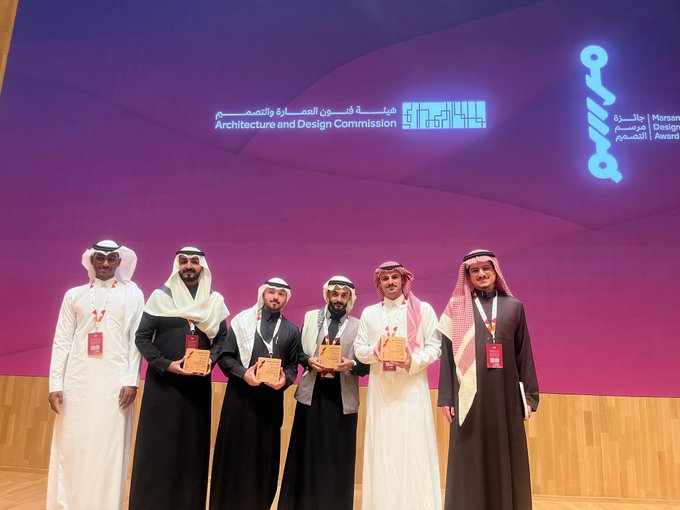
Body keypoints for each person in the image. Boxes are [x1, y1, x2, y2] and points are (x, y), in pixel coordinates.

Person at [46, 240, 144, 510]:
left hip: (115, 384)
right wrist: (55, 383)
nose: (105, 263)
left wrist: (131, 381)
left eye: (111, 258)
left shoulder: (132, 295)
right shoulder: (74, 295)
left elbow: (136, 341)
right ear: (91, 261)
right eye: (99, 258)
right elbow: (62, 341)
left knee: (108, 449)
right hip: (78, 382)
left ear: (119, 261)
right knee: (74, 446)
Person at [129, 247, 229, 510]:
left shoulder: (214, 301)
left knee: (191, 449)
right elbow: (142, 338)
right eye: (183, 261)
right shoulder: (160, 297)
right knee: (158, 448)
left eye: (194, 262)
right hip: (163, 386)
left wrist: (210, 359)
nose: (189, 266)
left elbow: (222, 339)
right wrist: (167, 365)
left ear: (202, 267)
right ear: (177, 266)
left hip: (196, 388)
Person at [438, 249, 539, 510]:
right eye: (475, 270)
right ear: (468, 275)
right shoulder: (456, 308)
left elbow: (524, 353)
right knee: (470, 455)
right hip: (467, 397)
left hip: (506, 397)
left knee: (505, 455)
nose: (481, 274)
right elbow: (446, 356)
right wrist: (447, 397)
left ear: (495, 271)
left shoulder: (514, 307)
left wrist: (529, 397)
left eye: (486, 268)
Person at [354, 261, 442, 510]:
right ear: (379, 284)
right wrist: (374, 352)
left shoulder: (422, 309)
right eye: (385, 278)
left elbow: (435, 348)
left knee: (413, 450)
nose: (390, 282)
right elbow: (359, 350)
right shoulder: (370, 313)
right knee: (383, 451)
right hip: (381, 393)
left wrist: (411, 361)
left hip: (412, 391)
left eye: (395, 277)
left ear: (404, 280)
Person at [278, 276, 370, 510]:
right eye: (335, 294)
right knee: (307, 452)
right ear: (327, 295)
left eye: (344, 295)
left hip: (342, 400)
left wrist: (351, 364)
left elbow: (367, 364)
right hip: (312, 395)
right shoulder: (311, 319)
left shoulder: (359, 325)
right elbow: (298, 353)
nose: (339, 299)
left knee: (337, 456)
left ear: (350, 298)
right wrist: (310, 360)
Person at [209, 278, 301, 510]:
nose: (275, 297)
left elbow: (292, 366)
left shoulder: (291, 330)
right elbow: (225, 356)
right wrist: (243, 374)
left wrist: (285, 381)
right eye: (271, 292)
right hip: (239, 400)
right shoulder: (241, 321)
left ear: (286, 298)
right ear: (263, 294)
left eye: (281, 294)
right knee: (235, 454)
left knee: (263, 458)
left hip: (270, 405)